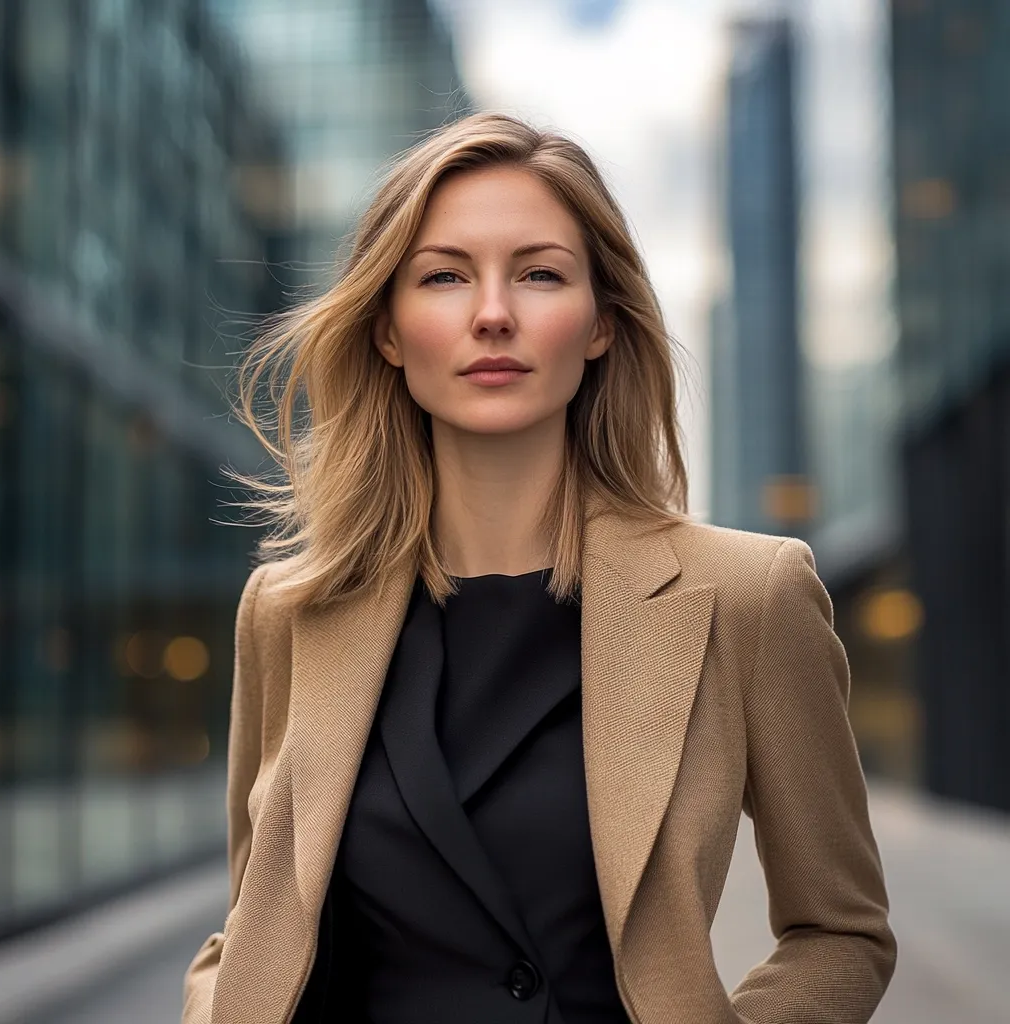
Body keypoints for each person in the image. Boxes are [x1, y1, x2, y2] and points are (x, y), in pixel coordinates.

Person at [182, 112, 896, 1024]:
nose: (492, 313)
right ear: (390, 332)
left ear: (600, 324)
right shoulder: (288, 609)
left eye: (540, 274)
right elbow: (254, 918)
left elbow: (842, 930)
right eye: (443, 276)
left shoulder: (748, 597)